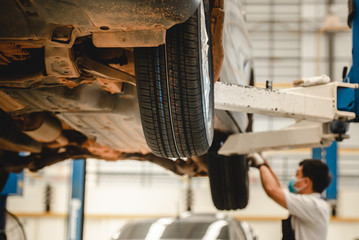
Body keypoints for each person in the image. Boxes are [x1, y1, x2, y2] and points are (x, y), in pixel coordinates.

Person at [248, 153, 332, 240]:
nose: (294, 178)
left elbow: (272, 190)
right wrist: (265, 163)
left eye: (297, 174)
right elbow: (278, 188)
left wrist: (260, 164)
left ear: (306, 182)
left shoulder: (314, 205)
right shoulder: (307, 202)